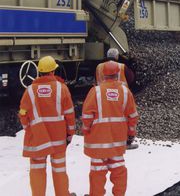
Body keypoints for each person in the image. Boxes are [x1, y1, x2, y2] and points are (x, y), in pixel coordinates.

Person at [18, 56, 76, 196]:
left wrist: (29, 129)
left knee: (37, 170)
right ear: (52, 72)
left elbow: (23, 113)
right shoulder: (62, 88)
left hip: (38, 138)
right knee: (59, 169)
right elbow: (69, 114)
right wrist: (70, 133)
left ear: (39, 72)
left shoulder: (30, 90)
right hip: (58, 138)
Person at [82, 61, 139, 196]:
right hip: (117, 141)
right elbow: (133, 116)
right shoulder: (125, 92)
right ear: (118, 74)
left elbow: (87, 115)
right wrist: (130, 134)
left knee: (97, 172)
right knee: (119, 170)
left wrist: (87, 130)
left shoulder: (95, 91)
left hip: (98, 142)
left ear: (103, 74)